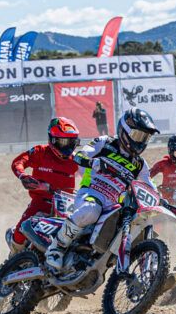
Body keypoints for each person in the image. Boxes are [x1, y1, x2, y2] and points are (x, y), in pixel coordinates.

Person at [44, 109, 159, 273]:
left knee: (137, 223)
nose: (141, 141)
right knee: (92, 210)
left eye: (145, 137)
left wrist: (161, 199)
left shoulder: (140, 164)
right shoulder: (106, 142)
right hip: (91, 193)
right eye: (138, 135)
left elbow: (149, 185)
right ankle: (57, 247)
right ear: (125, 131)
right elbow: (80, 155)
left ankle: (150, 272)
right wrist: (92, 163)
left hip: (114, 206)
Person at [8, 118, 79, 248]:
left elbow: (92, 173)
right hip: (41, 202)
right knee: (20, 233)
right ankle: (12, 258)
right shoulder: (41, 152)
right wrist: (22, 175)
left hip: (67, 206)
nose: (67, 146)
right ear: (53, 139)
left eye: (71, 142)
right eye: (64, 142)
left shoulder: (76, 159)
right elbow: (19, 162)